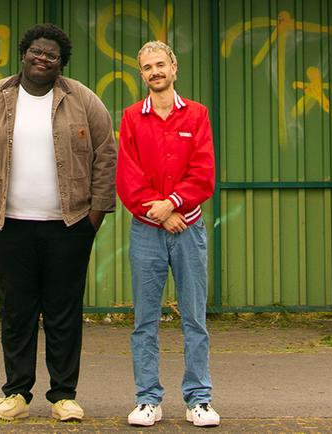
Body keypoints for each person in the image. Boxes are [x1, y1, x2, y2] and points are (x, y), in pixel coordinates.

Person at [0, 23, 117, 422]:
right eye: (36, 51)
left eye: (52, 55)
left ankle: (64, 396)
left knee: (64, 313)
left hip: (69, 226)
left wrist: (91, 220)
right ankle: (16, 393)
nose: (42, 59)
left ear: (61, 63)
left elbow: (106, 157)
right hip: (8, 227)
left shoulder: (84, 101)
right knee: (17, 312)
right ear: (23, 53)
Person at [116, 40, 219, 427]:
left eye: (161, 64)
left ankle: (199, 399)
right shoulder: (131, 118)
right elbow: (128, 176)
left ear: (174, 67)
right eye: (147, 67)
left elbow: (203, 173)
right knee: (145, 320)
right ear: (141, 74)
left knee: (194, 317)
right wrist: (159, 214)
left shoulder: (196, 115)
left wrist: (174, 204)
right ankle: (147, 399)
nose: (155, 72)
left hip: (189, 229)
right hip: (147, 232)